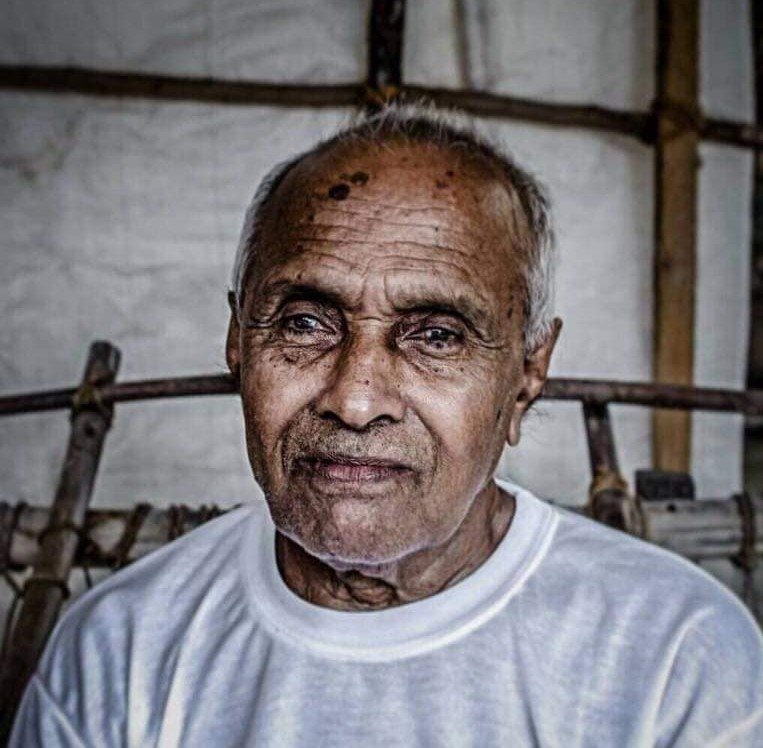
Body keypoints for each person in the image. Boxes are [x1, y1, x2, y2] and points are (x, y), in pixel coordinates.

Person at [10, 104, 763, 747]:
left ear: (528, 372)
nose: (356, 399)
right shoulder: (120, 649)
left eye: (436, 335)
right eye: (304, 323)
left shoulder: (675, 657)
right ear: (238, 342)